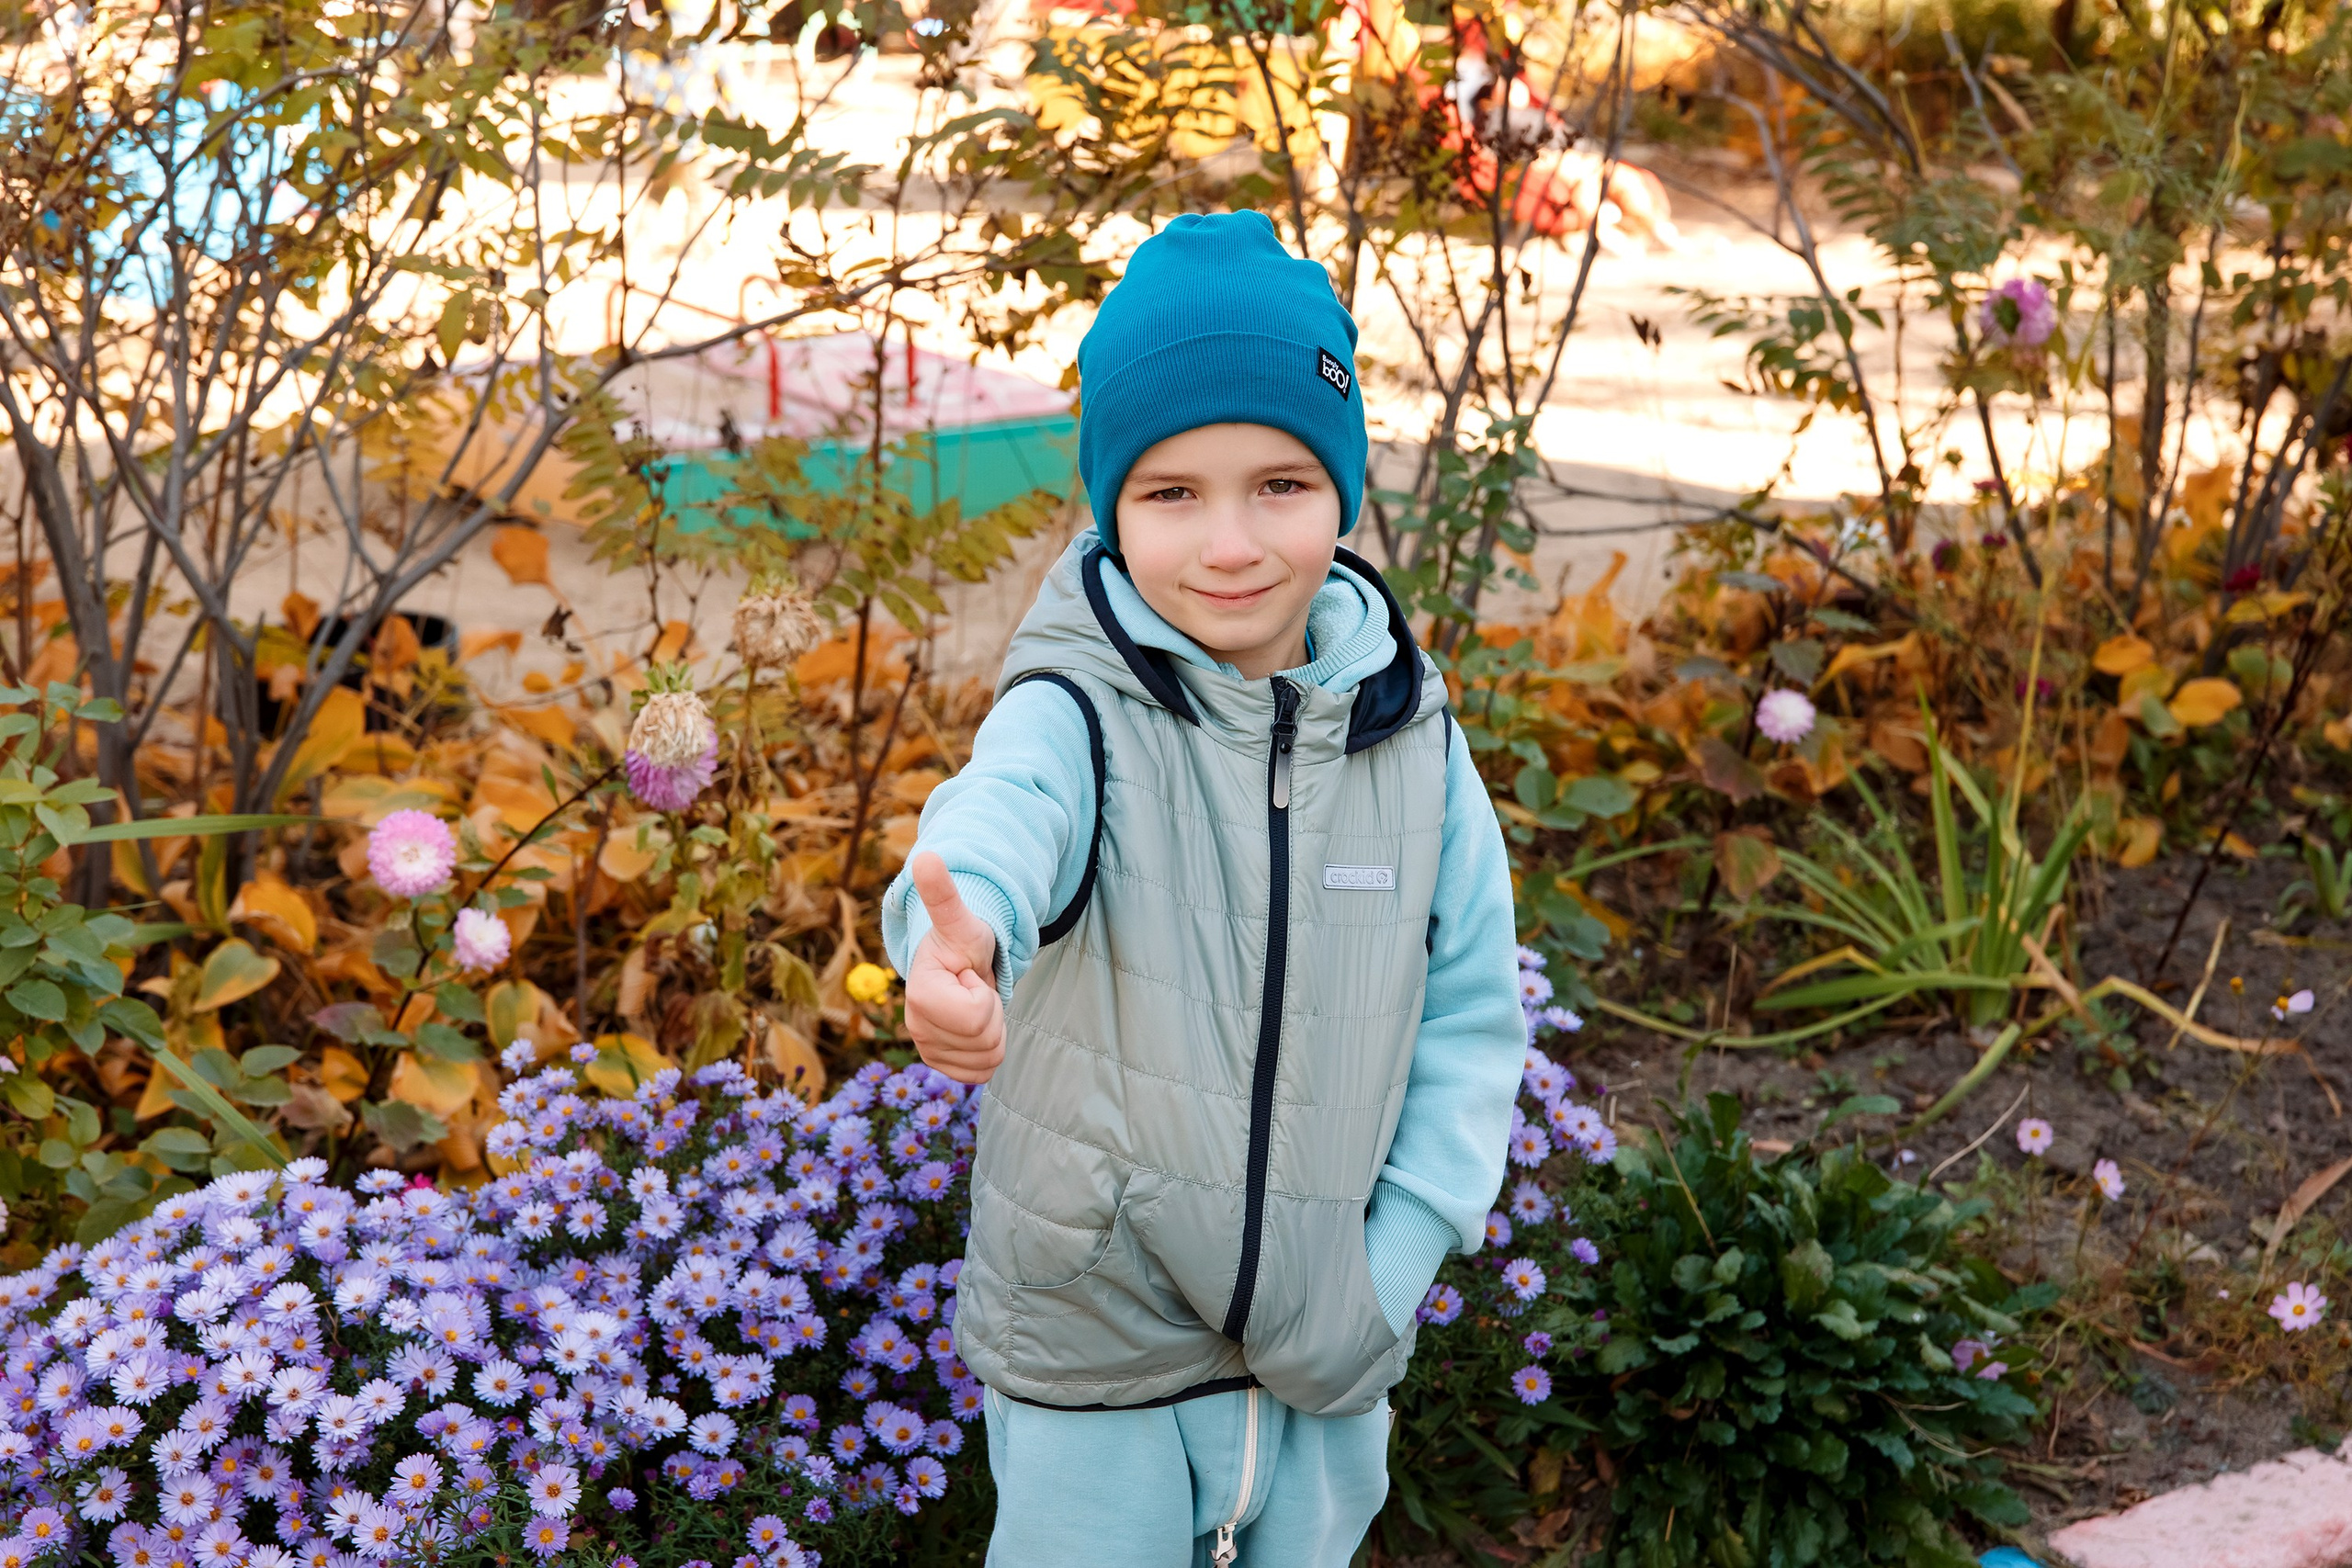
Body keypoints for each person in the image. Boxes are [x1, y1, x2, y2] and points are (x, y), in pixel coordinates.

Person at [879, 209, 1524, 1567]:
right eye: (1172, 493)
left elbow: (1472, 1015)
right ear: (1112, 508)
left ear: (1341, 489)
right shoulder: (1081, 705)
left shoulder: (1413, 738)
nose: (1230, 543)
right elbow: (1002, 815)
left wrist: (1392, 1263)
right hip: (1094, 1339)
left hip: (1327, 1334)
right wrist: (960, 941)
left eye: (1279, 484)